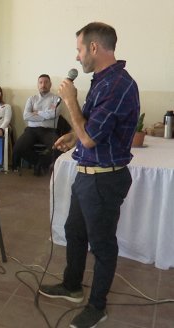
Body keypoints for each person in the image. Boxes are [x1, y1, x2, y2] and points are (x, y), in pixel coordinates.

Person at [38, 22, 140, 328]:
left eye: (79, 49)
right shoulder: (102, 80)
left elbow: (92, 137)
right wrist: (71, 135)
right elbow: (90, 125)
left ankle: (98, 306)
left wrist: (70, 101)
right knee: (74, 232)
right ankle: (71, 286)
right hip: (87, 175)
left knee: (102, 244)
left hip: (104, 179)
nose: (78, 56)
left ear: (94, 48)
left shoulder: (119, 84)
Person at [12, 74, 61, 174]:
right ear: (37, 85)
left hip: (48, 130)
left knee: (59, 147)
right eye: (41, 82)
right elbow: (26, 116)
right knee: (18, 147)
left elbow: (53, 114)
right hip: (31, 130)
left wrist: (36, 112)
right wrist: (45, 114)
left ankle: (40, 165)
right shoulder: (32, 99)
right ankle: (39, 163)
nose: (43, 85)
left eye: (46, 82)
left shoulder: (56, 99)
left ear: (50, 84)